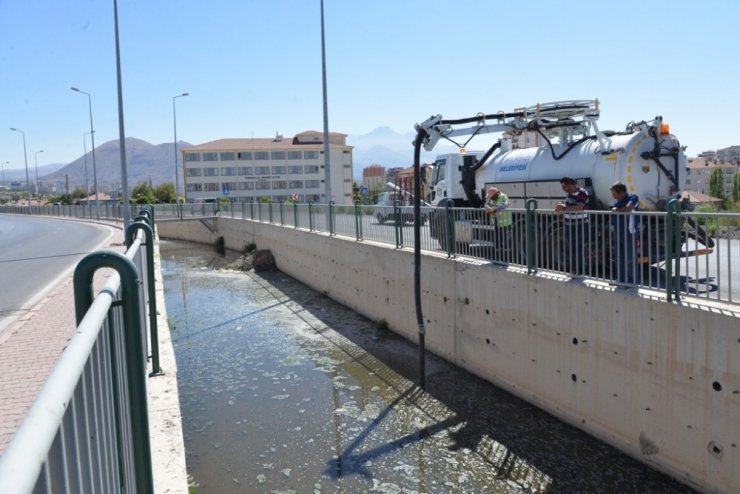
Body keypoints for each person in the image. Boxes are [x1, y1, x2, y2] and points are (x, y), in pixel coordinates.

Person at [554, 177, 589, 275]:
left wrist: (564, 208)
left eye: (564, 186)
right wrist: (561, 206)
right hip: (569, 225)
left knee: (578, 248)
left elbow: (579, 207)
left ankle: (580, 271)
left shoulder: (582, 193)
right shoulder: (569, 194)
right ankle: (575, 270)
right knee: (572, 248)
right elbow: (568, 206)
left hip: (580, 225)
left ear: (570, 184)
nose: (564, 189)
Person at [609, 182, 640, 284]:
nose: (613, 196)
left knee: (630, 258)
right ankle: (621, 280)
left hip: (629, 233)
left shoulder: (633, 197)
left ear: (622, 192)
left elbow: (628, 209)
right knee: (619, 257)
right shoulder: (617, 202)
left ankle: (632, 282)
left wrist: (616, 210)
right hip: (618, 233)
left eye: (614, 194)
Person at [484, 186, 513, 260]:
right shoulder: (493, 198)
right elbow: (486, 204)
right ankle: (498, 257)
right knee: (496, 241)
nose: (490, 198)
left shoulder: (503, 197)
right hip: (497, 223)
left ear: (495, 194)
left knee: (506, 241)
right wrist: (487, 207)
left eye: (491, 196)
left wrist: (492, 209)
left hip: (506, 223)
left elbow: (503, 206)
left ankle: (506, 259)